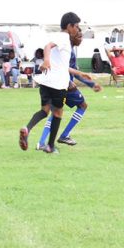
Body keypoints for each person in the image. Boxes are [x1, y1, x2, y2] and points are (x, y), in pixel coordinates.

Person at [19, 12, 81, 154]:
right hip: (58, 84)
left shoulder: (57, 36)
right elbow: (47, 47)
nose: (77, 30)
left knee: (44, 111)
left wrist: (78, 74)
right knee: (58, 113)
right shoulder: (64, 38)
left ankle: (27, 129)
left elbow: (60, 62)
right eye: (76, 26)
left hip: (46, 81)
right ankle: (50, 146)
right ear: (69, 26)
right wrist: (46, 60)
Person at [37, 27, 102, 149]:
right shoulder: (69, 51)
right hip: (64, 85)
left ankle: (41, 142)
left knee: (55, 112)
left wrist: (91, 84)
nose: (81, 39)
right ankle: (64, 135)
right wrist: (69, 81)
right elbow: (64, 68)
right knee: (82, 106)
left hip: (55, 84)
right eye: (79, 36)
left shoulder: (66, 48)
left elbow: (70, 70)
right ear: (72, 37)